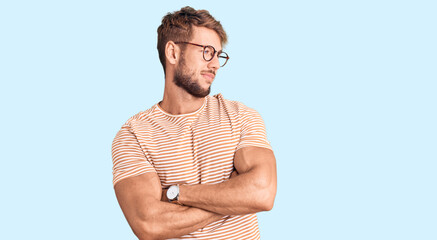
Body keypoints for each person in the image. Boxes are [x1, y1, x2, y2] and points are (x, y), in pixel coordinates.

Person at [112, 6, 277, 240]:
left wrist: (175, 193)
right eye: (207, 51)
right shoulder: (133, 135)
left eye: (218, 54)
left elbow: (262, 193)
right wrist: (234, 199)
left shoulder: (240, 116)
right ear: (172, 53)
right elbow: (149, 224)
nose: (216, 64)